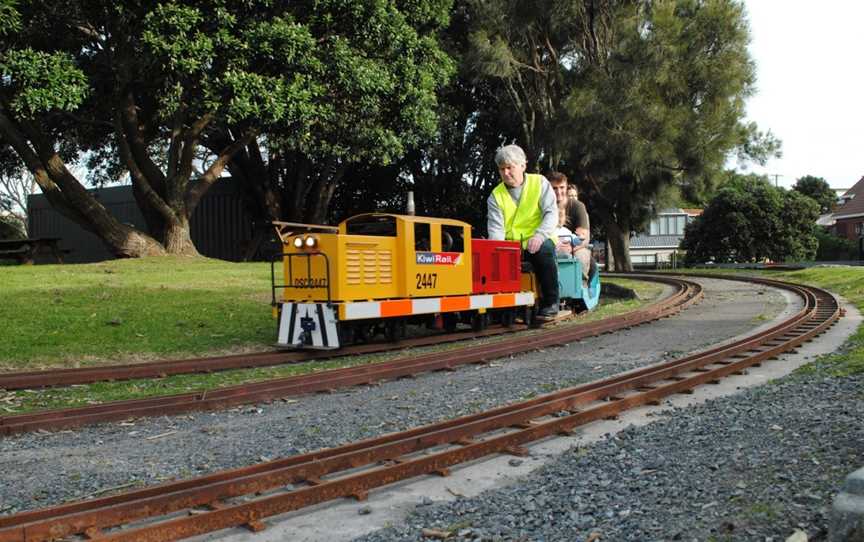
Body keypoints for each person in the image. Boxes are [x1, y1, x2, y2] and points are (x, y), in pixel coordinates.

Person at [487, 144, 560, 320]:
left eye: (509, 168)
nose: (505, 173)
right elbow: (496, 230)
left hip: (540, 238)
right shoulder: (495, 196)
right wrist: (500, 251)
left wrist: (540, 235)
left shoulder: (540, 183)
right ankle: (504, 307)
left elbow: (551, 213)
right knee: (496, 261)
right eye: (501, 169)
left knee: (543, 253)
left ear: (522, 165)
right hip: (511, 245)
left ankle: (551, 302)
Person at [547, 171, 592, 280]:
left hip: (574, 246)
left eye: (562, 187)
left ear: (566, 188)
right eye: (554, 188)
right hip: (549, 246)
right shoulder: (541, 206)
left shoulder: (577, 206)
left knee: (581, 256)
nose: (559, 192)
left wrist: (570, 247)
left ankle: (580, 287)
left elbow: (583, 237)